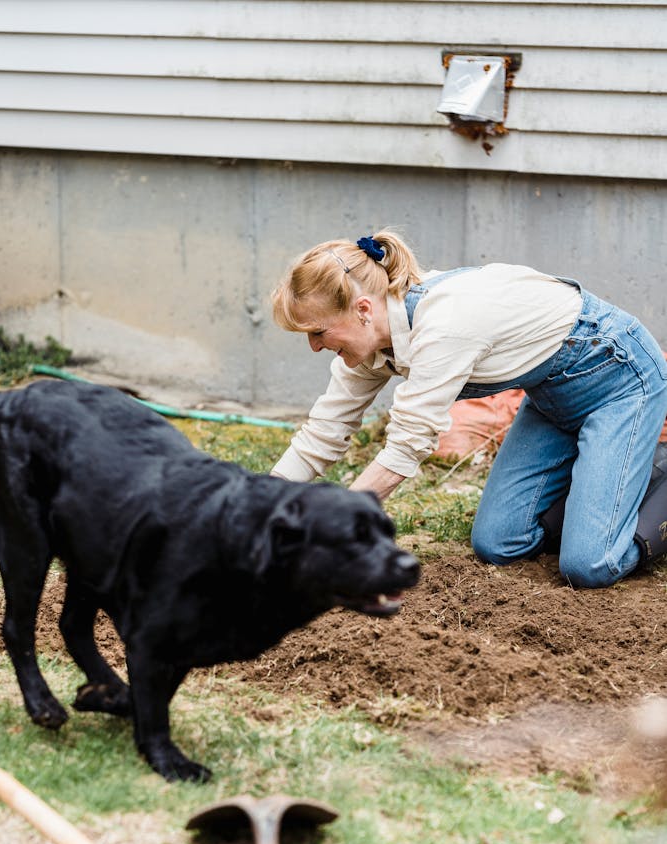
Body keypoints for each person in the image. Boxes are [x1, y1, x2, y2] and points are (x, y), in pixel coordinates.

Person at [269, 229, 667, 589]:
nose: (315, 346)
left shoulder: (442, 325)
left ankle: (650, 481)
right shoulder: (374, 343)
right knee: (499, 543)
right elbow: (324, 431)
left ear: (362, 310)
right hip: (551, 396)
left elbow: (406, 449)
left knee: (589, 565)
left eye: (318, 332)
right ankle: (606, 488)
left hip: (619, 377)